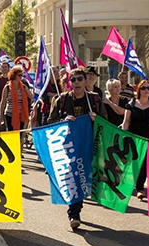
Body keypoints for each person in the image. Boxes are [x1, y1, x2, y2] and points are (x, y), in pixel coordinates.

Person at [46, 68, 106, 229]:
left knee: (83, 176)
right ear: (69, 83)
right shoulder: (62, 100)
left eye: (80, 79)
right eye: (73, 80)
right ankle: (74, 213)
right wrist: (63, 120)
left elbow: (106, 122)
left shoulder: (94, 99)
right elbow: (51, 122)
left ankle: (77, 208)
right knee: (73, 177)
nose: (77, 82)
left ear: (86, 81)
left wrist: (96, 119)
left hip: (88, 145)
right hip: (68, 146)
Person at [122, 80, 149, 200]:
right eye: (143, 88)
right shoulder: (131, 104)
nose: (146, 90)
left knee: (145, 163)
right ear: (139, 90)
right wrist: (124, 131)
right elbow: (126, 120)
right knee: (135, 163)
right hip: (134, 137)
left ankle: (140, 188)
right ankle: (135, 185)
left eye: (148, 88)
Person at [0, 66, 35, 132]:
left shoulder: (23, 86)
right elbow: (2, 102)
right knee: (11, 134)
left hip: (22, 114)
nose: (21, 77)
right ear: (13, 75)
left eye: (22, 75)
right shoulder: (7, 87)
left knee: (20, 134)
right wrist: (0, 116)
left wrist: (33, 89)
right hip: (10, 114)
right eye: (19, 75)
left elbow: (31, 96)